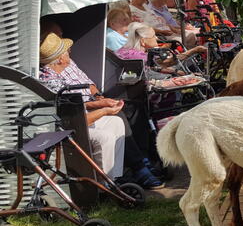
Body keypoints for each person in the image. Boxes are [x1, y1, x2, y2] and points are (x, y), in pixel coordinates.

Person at [38, 33, 163, 188]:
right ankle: (128, 174)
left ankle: (129, 169)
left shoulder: (68, 64)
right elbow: (74, 112)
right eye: (65, 51)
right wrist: (101, 107)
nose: (69, 52)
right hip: (77, 118)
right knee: (116, 117)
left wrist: (99, 98)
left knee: (132, 110)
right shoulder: (49, 81)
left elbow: (88, 83)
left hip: (88, 106)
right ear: (59, 59)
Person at [117, 23, 205, 72]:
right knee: (188, 63)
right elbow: (169, 62)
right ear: (143, 41)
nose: (157, 38)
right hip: (149, 91)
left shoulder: (124, 51)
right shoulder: (140, 57)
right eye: (153, 36)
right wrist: (195, 50)